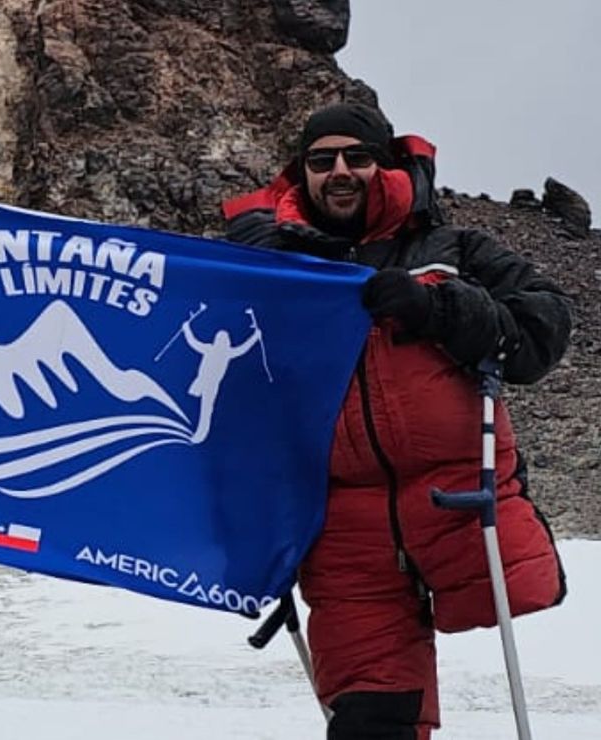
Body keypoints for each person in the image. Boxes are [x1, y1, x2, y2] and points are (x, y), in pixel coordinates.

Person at [222, 103, 571, 738]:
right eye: (321, 161)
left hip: (459, 501)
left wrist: (439, 308)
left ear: (384, 166)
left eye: (357, 157)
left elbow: (542, 330)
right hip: (342, 531)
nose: (340, 172)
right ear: (301, 174)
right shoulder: (267, 271)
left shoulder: (452, 249)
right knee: (370, 719)